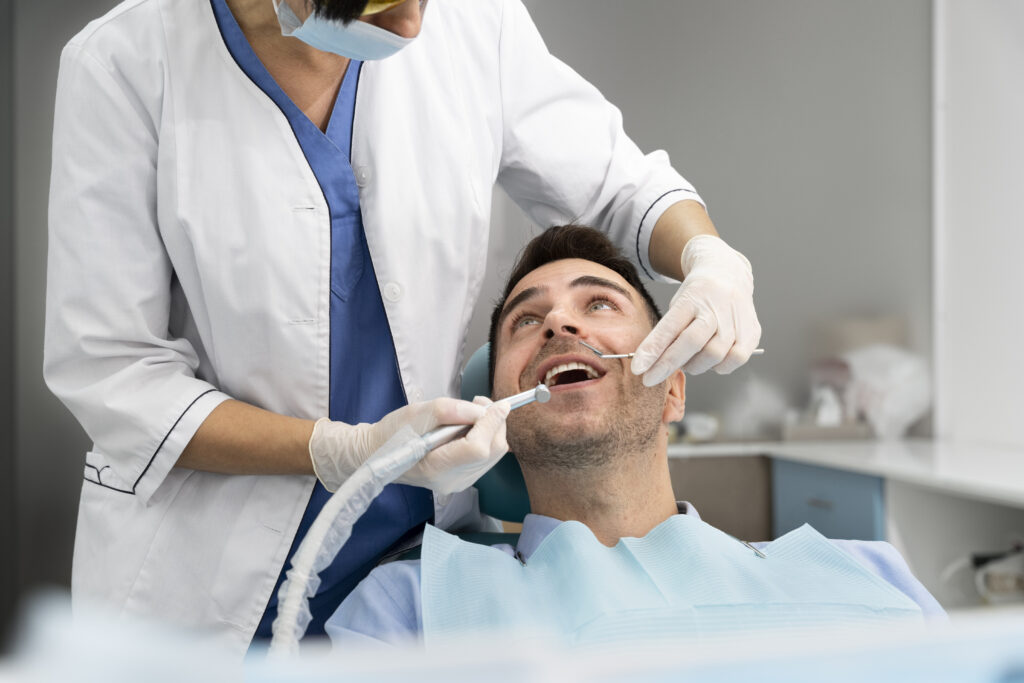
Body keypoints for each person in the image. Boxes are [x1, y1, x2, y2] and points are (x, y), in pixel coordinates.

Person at [44, 0, 761, 654]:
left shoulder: (476, 24)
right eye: (383, 2)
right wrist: (344, 450)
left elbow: (617, 186)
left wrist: (707, 255)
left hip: (417, 566)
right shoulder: (124, 65)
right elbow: (114, 372)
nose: (417, 26)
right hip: (199, 585)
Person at [325, 225, 942, 647]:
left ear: (673, 388)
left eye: (598, 305)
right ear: (501, 410)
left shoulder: (868, 572)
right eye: (527, 319)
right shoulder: (409, 608)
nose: (560, 322)